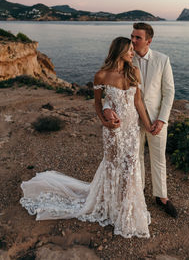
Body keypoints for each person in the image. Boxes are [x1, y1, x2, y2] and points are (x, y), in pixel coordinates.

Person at [20, 37, 152, 238]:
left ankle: (126, 211)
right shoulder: (101, 76)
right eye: (130, 49)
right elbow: (98, 104)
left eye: (133, 49)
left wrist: (149, 126)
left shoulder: (134, 72)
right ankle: (110, 207)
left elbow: (139, 103)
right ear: (119, 51)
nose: (133, 52)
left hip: (132, 130)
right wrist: (104, 120)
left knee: (130, 167)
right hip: (113, 130)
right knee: (113, 165)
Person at [103, 23, 177, 218]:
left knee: (158, 158)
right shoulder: (125, 57)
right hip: (132, 121)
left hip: (156, 120)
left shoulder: (162, 60)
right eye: (132, 36)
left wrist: (162, 120)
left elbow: (169, 93)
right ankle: (139, 192)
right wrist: (107, 109)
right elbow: (109, 92)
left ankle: (162, 197)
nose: (133, 40)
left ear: (148, 41)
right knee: (135, 159)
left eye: (137, 37)